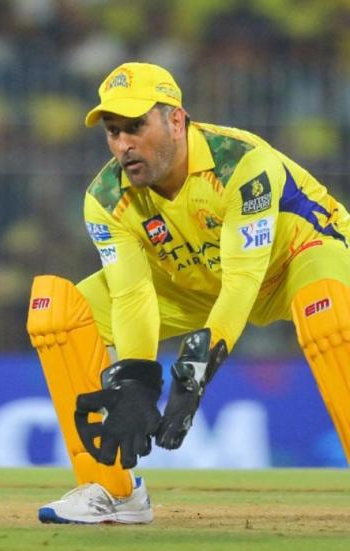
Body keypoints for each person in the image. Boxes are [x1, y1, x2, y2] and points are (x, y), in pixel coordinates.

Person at [26, 62, 350, 524]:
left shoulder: (242, 163)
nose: (123, 144)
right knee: (59, 312)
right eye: (113, 131)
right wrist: (134, 380)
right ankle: (114, 492)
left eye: (135, 126)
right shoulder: (105, 198)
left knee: (328, 316)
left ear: (176, 121)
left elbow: (244, 277)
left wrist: (199, 365)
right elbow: (132, 295)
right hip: (196, 281)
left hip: (298, 259)